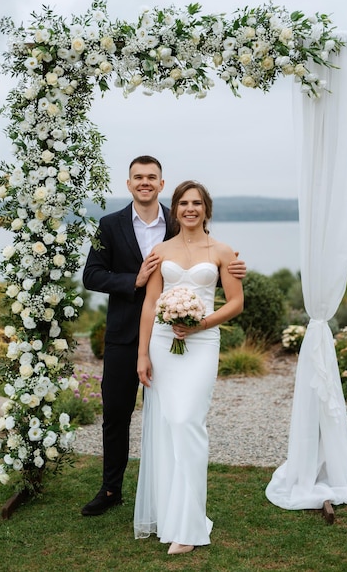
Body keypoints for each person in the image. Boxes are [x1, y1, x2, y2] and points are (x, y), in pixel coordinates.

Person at [81, 157, 246, 516]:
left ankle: (170, 494)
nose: (144, 182)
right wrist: (133, 281)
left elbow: (208, 255)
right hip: (128, 332)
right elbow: (91, 276)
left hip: (179, 336)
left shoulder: (179, 219)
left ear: (160, 183)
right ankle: (111, 489)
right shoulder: (109, 225)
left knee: (172, 416)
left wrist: (234, 266)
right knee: (117, 412)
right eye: (138, 177)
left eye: (151, 177)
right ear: (129, 184)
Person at [134, 180, 244, 555]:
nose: (190, 209)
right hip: (163, 345)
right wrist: (142, 354)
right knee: (168, 426)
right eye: (184, 203)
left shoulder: (224, 251)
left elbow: (235, 302)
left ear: (206, 209)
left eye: (197, 203)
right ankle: (174, 515)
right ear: (175, 209)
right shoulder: (159, 249)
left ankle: (191, 524)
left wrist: (202, 323)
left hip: (202, 344)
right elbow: (151, 304)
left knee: (187, 422)